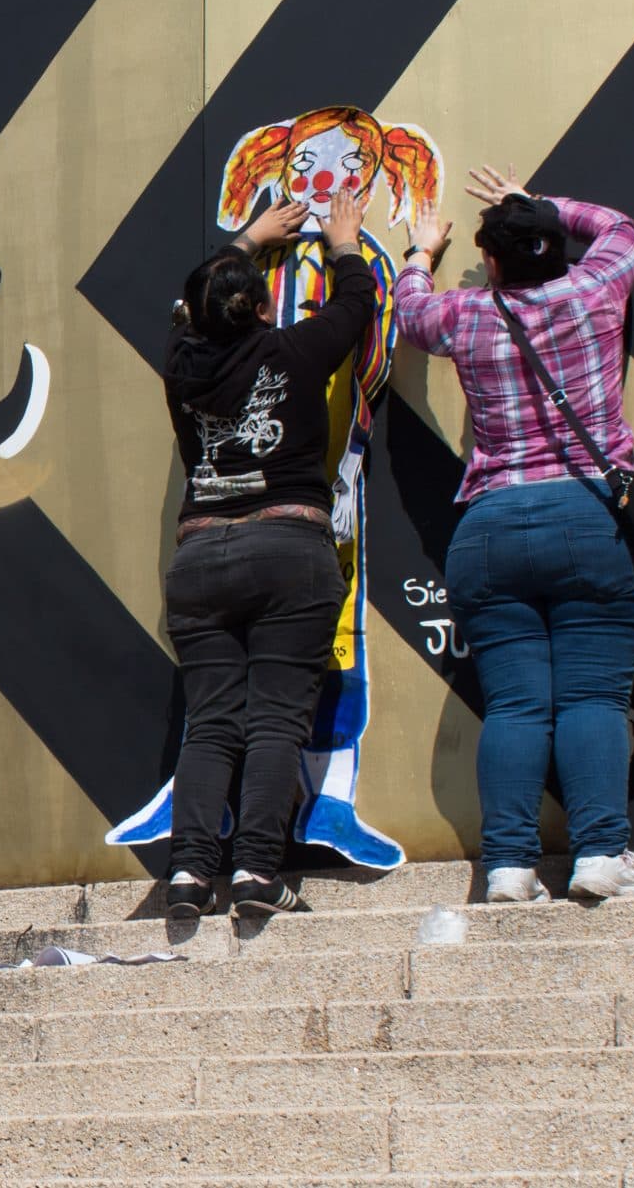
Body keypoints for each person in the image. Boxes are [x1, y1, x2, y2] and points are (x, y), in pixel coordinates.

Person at [398, 167, 634, 904]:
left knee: (514, 704)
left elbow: (409, 311)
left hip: (490, 526)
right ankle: (599, 853)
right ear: (556, 253)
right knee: (592, 698)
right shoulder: (595, 290)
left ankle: (508, 866)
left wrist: (420, 253)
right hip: (587, 517)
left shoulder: (470, 315)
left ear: (498, 262)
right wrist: (547, 205)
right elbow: (620, 228)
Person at [158, 181, 377, 918]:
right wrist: (343, 238)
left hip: (199, 557)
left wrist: (248, 236)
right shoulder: (295, 347)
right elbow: (354, 306)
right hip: (287, 545)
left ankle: (188, 874)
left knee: (212, 719)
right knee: (278, 717)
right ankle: (256, 871)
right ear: (259, 308)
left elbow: (192, 304)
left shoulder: (181, 365)